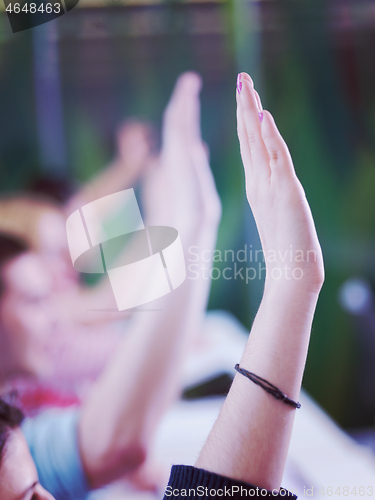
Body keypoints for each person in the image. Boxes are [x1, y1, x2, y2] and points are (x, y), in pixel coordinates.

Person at [0, 71, 323, 499]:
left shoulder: (17, 428)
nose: (63, 272)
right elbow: (117, 310)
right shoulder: (54, 337)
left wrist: (188, 218)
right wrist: (187, 223)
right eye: (35, 292)